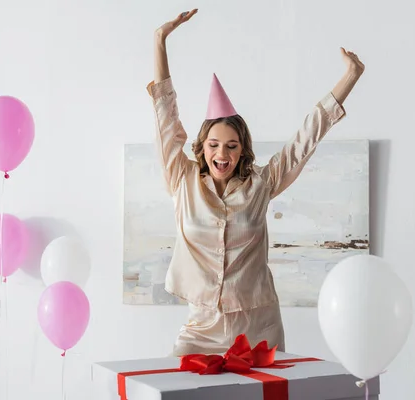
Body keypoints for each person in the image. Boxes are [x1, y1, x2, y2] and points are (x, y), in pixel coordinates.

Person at [147, 9, 365, 356]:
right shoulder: (182, 180)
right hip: (201, 326)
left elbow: (302, 142)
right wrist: (160, 41)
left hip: (258, 325)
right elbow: (166, 121)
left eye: (232, 146)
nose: (223, 154)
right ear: (202, 148)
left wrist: (350, 77)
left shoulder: (260, 184)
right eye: (214, 145)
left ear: (242, 149)